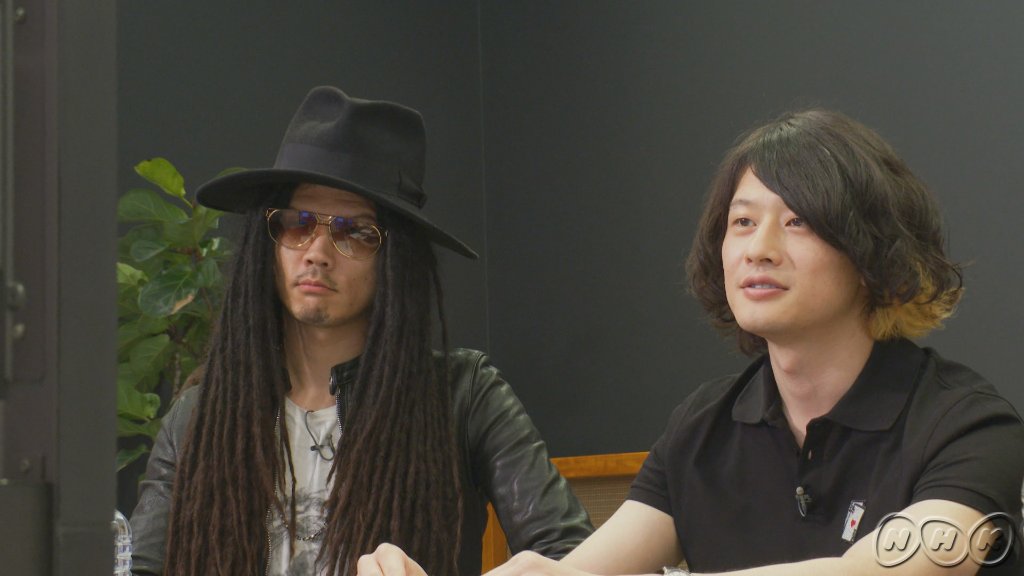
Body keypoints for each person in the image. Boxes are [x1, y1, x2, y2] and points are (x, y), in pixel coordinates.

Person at [360, 110, 1024, 576]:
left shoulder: (968, 426)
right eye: (742, 222)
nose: (759, 249)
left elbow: (882, 572)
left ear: (872, 254)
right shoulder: (703, 428)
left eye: (798, 222)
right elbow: (583, 572)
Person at [128, 86, 592, 576]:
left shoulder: (462, 396)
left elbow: (572, 559)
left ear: (395, 259)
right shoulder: (200, 416)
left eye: (354, 232)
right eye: (298, 223)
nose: (317, 252)